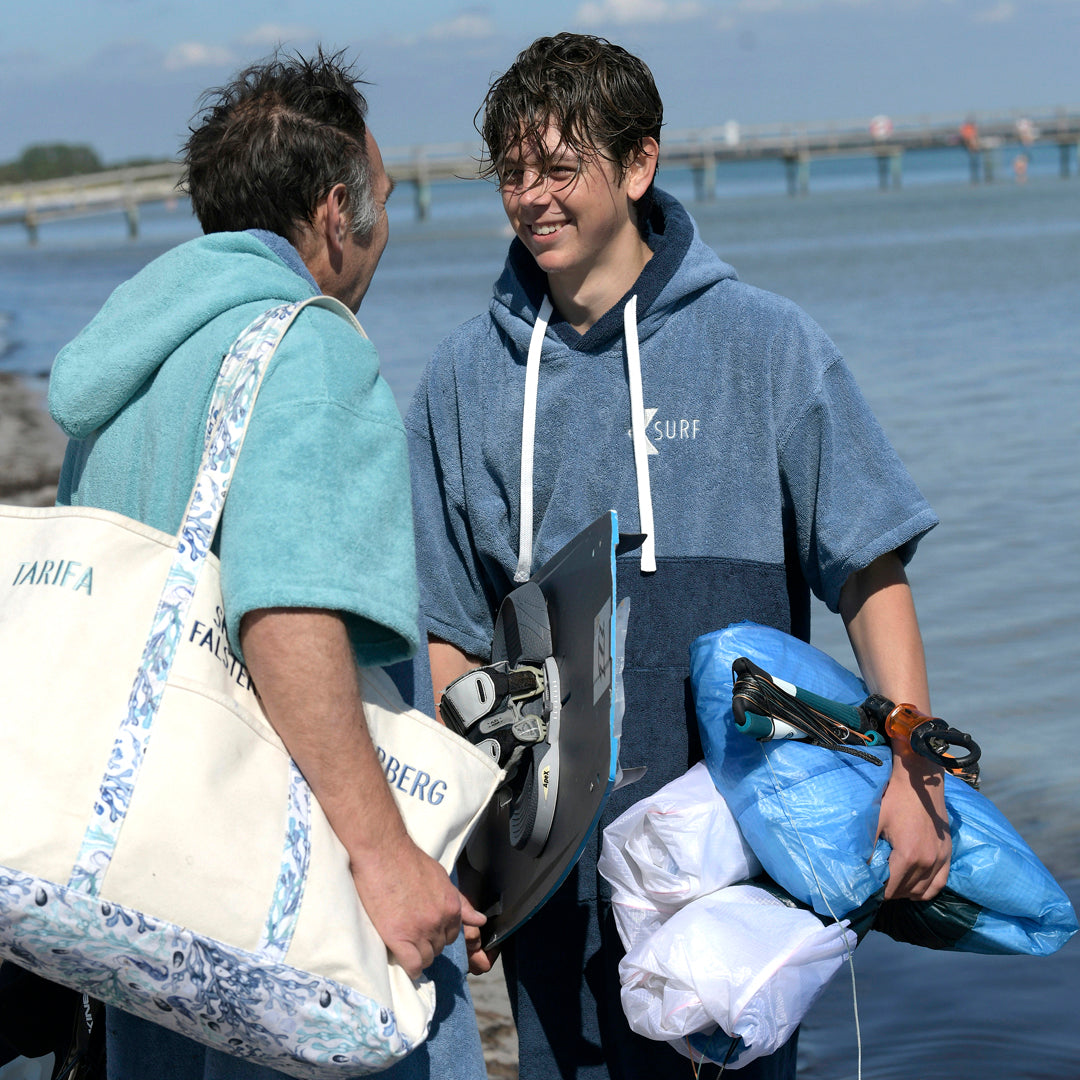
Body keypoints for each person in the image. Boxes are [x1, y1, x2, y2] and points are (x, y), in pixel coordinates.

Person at [406, 32, 951, 1080]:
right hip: (549, 878)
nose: (532, 197)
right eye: (513, 173)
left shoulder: (767, 344)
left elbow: (870, 571)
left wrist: (913, 767)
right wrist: (465, 842)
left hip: (738, 854)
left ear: (640, 164)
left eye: (560, 167)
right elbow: (445, 637)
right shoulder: (466, 380)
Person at [47, 49, 487, 1080]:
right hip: (287, 916)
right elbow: (284, 615)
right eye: (380, 201)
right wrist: (387, 859)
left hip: (147, 896)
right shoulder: (307, 346)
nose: (383, 232)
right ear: (336, 210)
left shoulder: (135, 358)